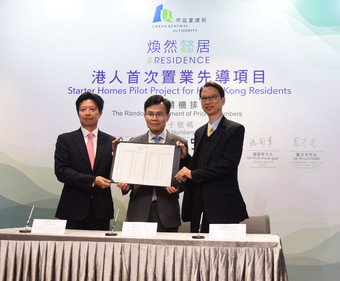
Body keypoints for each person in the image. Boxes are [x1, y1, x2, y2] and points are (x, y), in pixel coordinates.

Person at [175, 81, 248, 233]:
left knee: (225, 255)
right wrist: (185, 157)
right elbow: (198, 165)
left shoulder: (235, 129)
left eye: (213, 97)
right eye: (204, 98)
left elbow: (228, 165)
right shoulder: (200, 131)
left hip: (223, 206)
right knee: (198, 254)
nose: (208, 102)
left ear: (223, 100)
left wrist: (192, 174)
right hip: (198, 204)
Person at [116, 95, 190, 232]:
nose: (154, 118)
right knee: (135, 253)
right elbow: (128, 178)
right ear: (144, 116)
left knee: (167, 253)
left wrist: (177, 187)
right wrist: (125, 185)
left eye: (159, 114)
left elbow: (187, 177)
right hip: (138, 211)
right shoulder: (134, 143)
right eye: (150, 114)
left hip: (167, 213)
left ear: (168, 116)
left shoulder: (179, 143)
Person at [55, 92, 115, 230]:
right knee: (70, 251)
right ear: (78, 113)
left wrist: (116, 154)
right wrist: (93, 180)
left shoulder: (111, 141)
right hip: (72, 209)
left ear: (100, 113)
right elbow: (61, 171)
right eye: (83, 109)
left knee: (99, 251)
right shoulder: (65, 140)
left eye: (92, 109)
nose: (88, 113)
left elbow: (115, 173)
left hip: (101, 211)